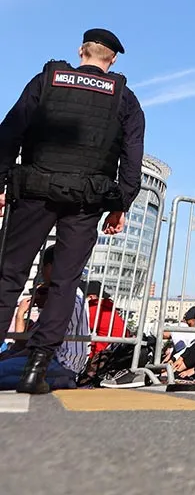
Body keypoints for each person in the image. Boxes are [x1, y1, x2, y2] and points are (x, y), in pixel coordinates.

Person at [0, 29, 144, 394]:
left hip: (34, 191)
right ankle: (37, 368)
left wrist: (0, 182)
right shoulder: (124, 97)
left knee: (8, 275)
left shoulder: (47, 80)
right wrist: (120, 205)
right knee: (65, 283)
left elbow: (10, 132)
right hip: (86, 201)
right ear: (113, 59)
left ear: (82, 51)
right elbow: (132, 159)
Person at [0, 245, 89, 391]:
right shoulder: (71, 293)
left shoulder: (63, 298)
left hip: (61, 363)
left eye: (43, 267)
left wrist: (20, 314)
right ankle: (61, 381)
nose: (41, 272)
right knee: (7, 368)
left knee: (3, 370)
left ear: (50, 267)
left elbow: (31, 345)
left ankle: (61, 381)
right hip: (63, 363)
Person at [84, 282, 128, 356]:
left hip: (101, 354)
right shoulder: (107, 308)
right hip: (116, 351)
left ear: (91, 297)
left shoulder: (94, 310)